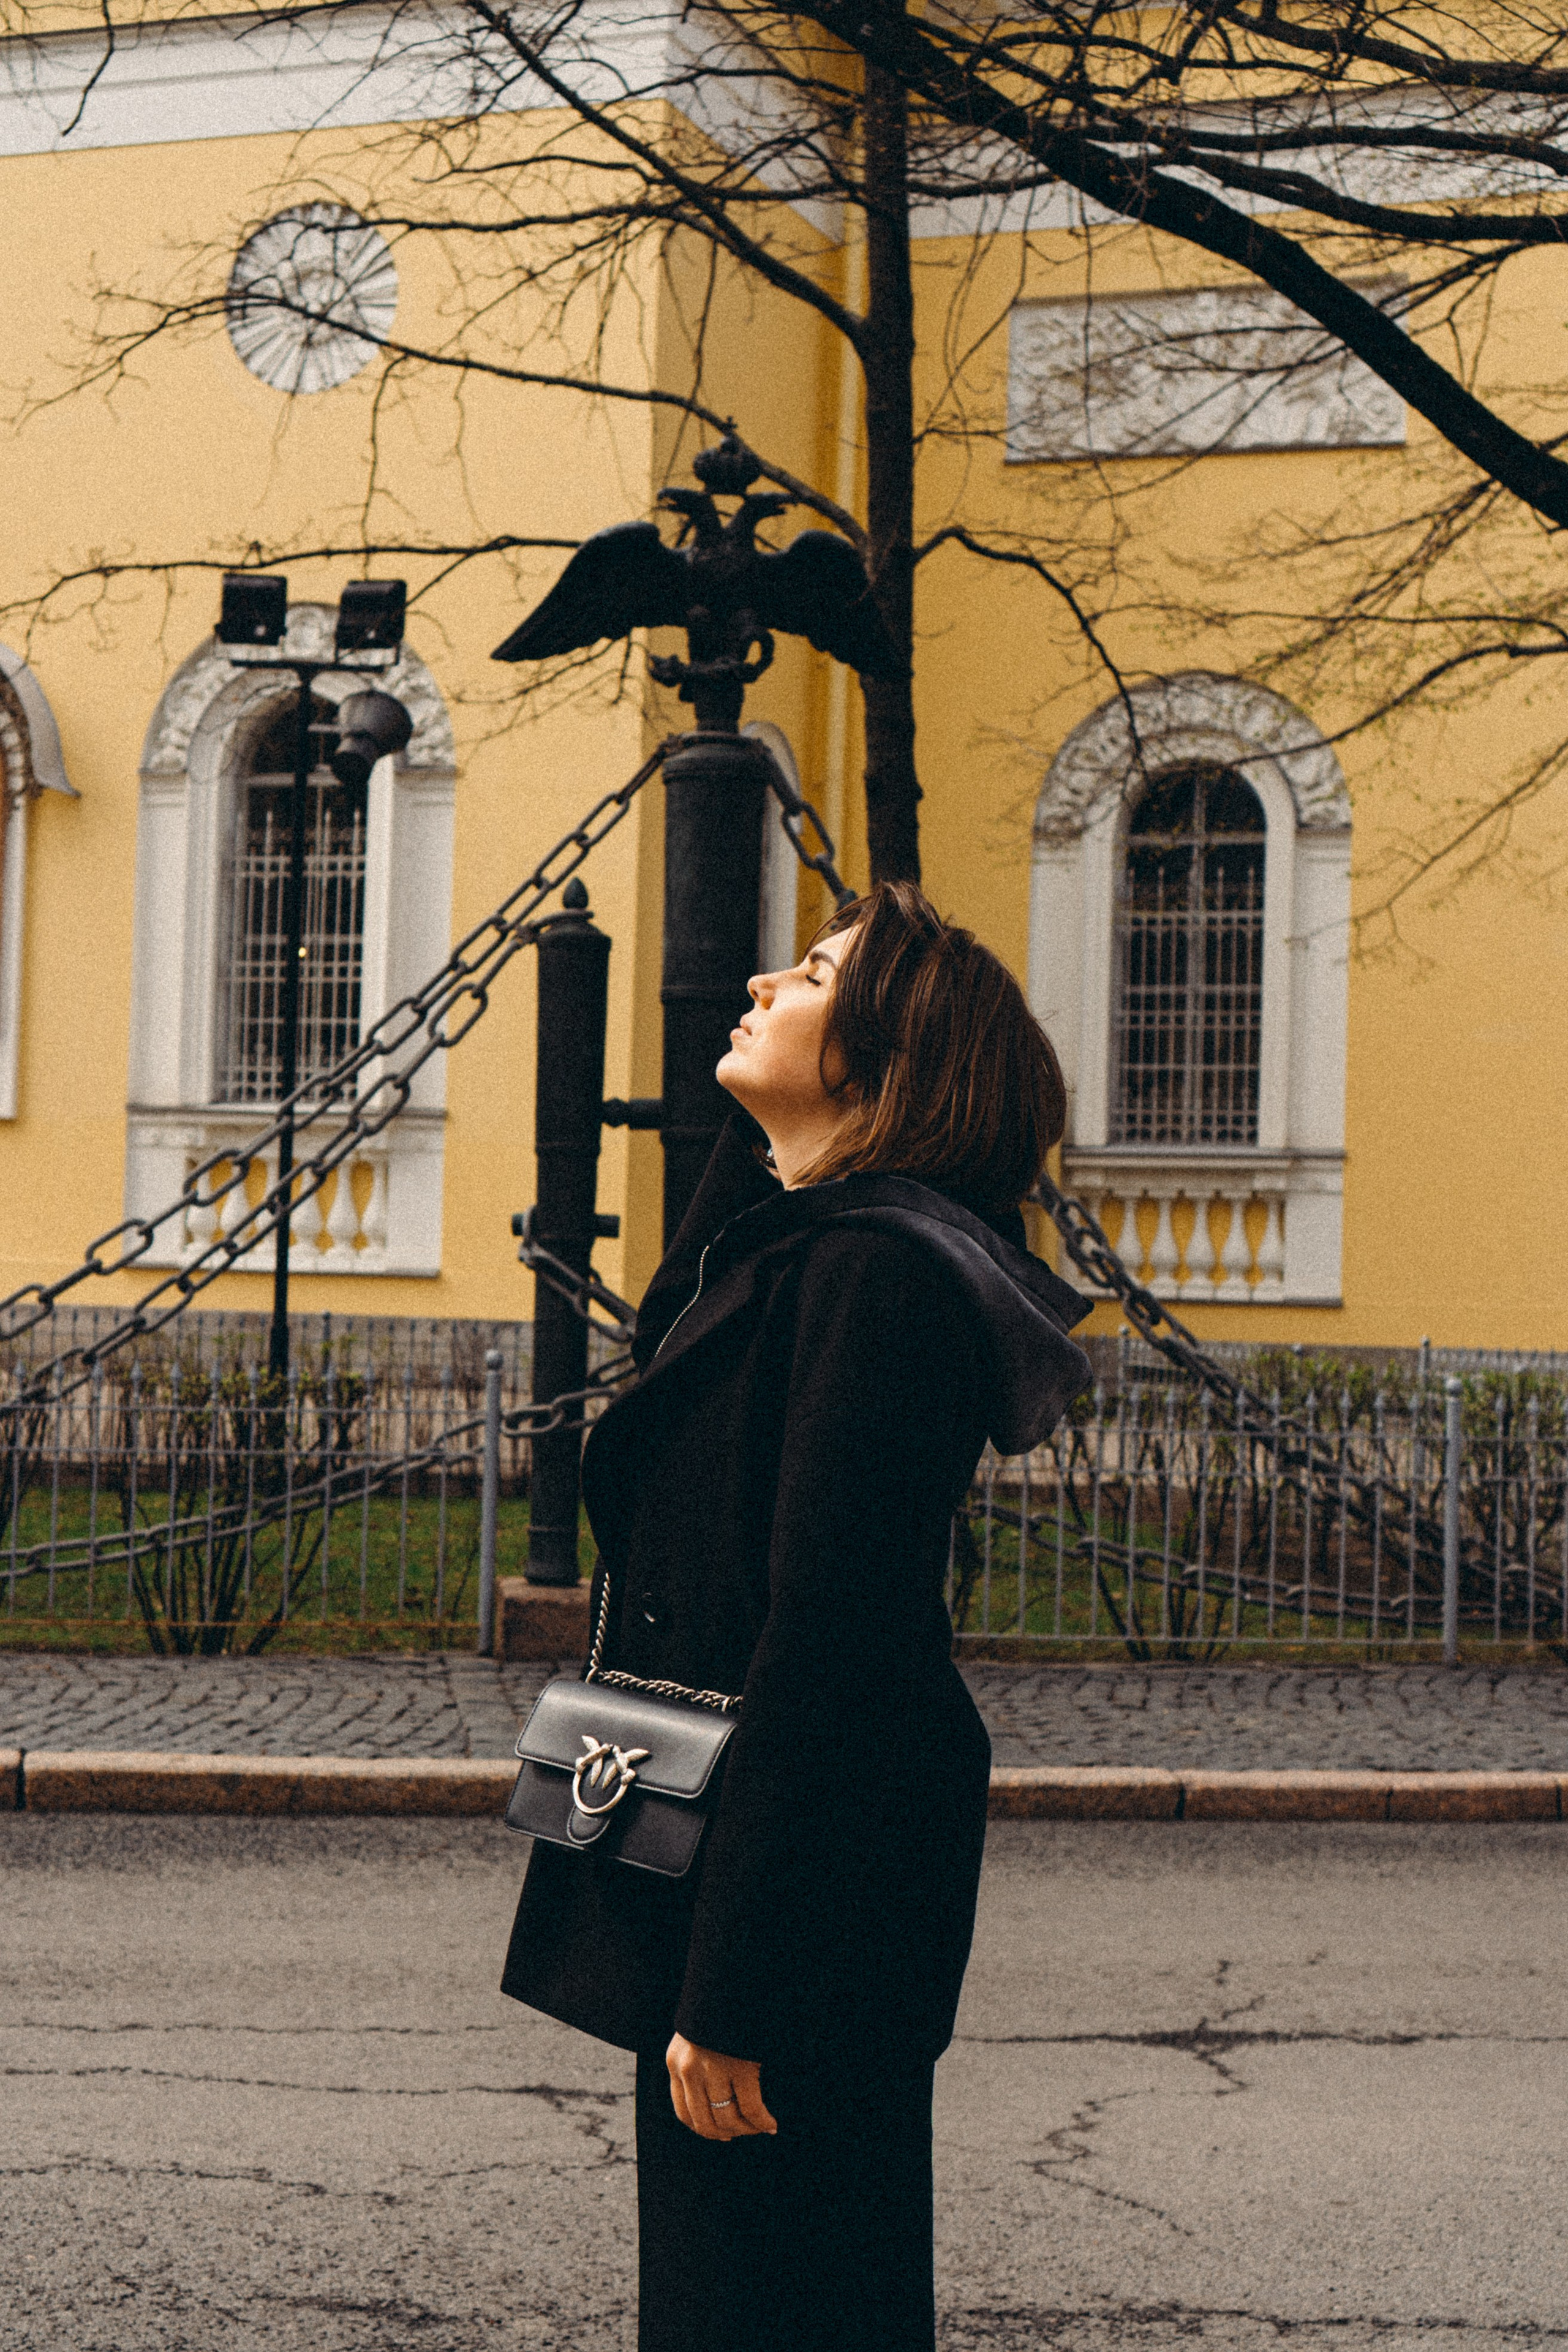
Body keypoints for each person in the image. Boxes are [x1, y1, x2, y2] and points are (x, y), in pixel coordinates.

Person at [502, 880, 1091, 2352]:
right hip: (731, 1865)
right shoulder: (803, 1256)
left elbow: (832, 1641)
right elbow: (678, 1307)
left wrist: (737, 1980)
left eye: (816, 975)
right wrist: (784, 1140)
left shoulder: (878, 1284)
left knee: (779, 2303)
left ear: (888, 1057)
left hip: (801, 1906)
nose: (762, 982)